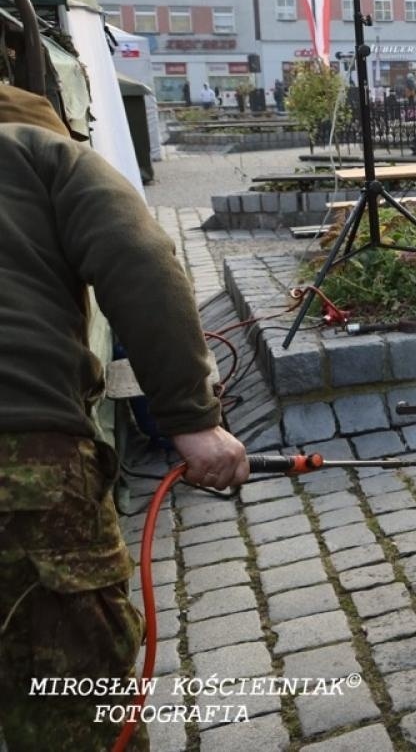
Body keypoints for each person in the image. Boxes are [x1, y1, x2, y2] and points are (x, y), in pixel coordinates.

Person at [0, 83, 250, 750]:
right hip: (21, 464)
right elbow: (141, 259)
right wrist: (192, 420)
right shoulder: (34, 148)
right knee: (74, 710)